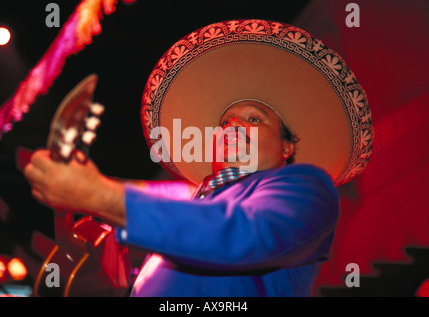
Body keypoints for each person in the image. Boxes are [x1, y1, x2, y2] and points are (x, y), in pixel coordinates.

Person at [22, 19, 374, 296]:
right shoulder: (189, 199)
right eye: (225, 122)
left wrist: (98, 195)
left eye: (254, 119)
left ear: (286, 148)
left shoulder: (306, 185)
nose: (233, 125)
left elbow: (244, 234)